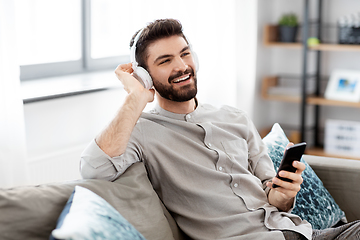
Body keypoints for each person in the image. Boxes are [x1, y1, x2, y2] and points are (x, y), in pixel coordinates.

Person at [80, 19, 359, 240]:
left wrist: (285, 194)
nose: (181, 66)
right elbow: (94, 168)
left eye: (185, 54)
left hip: (301, 232)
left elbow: (271, 193)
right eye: (165, 61)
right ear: (144, 75)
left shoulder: (234, 117)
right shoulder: (141, 132)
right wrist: (135, 97)